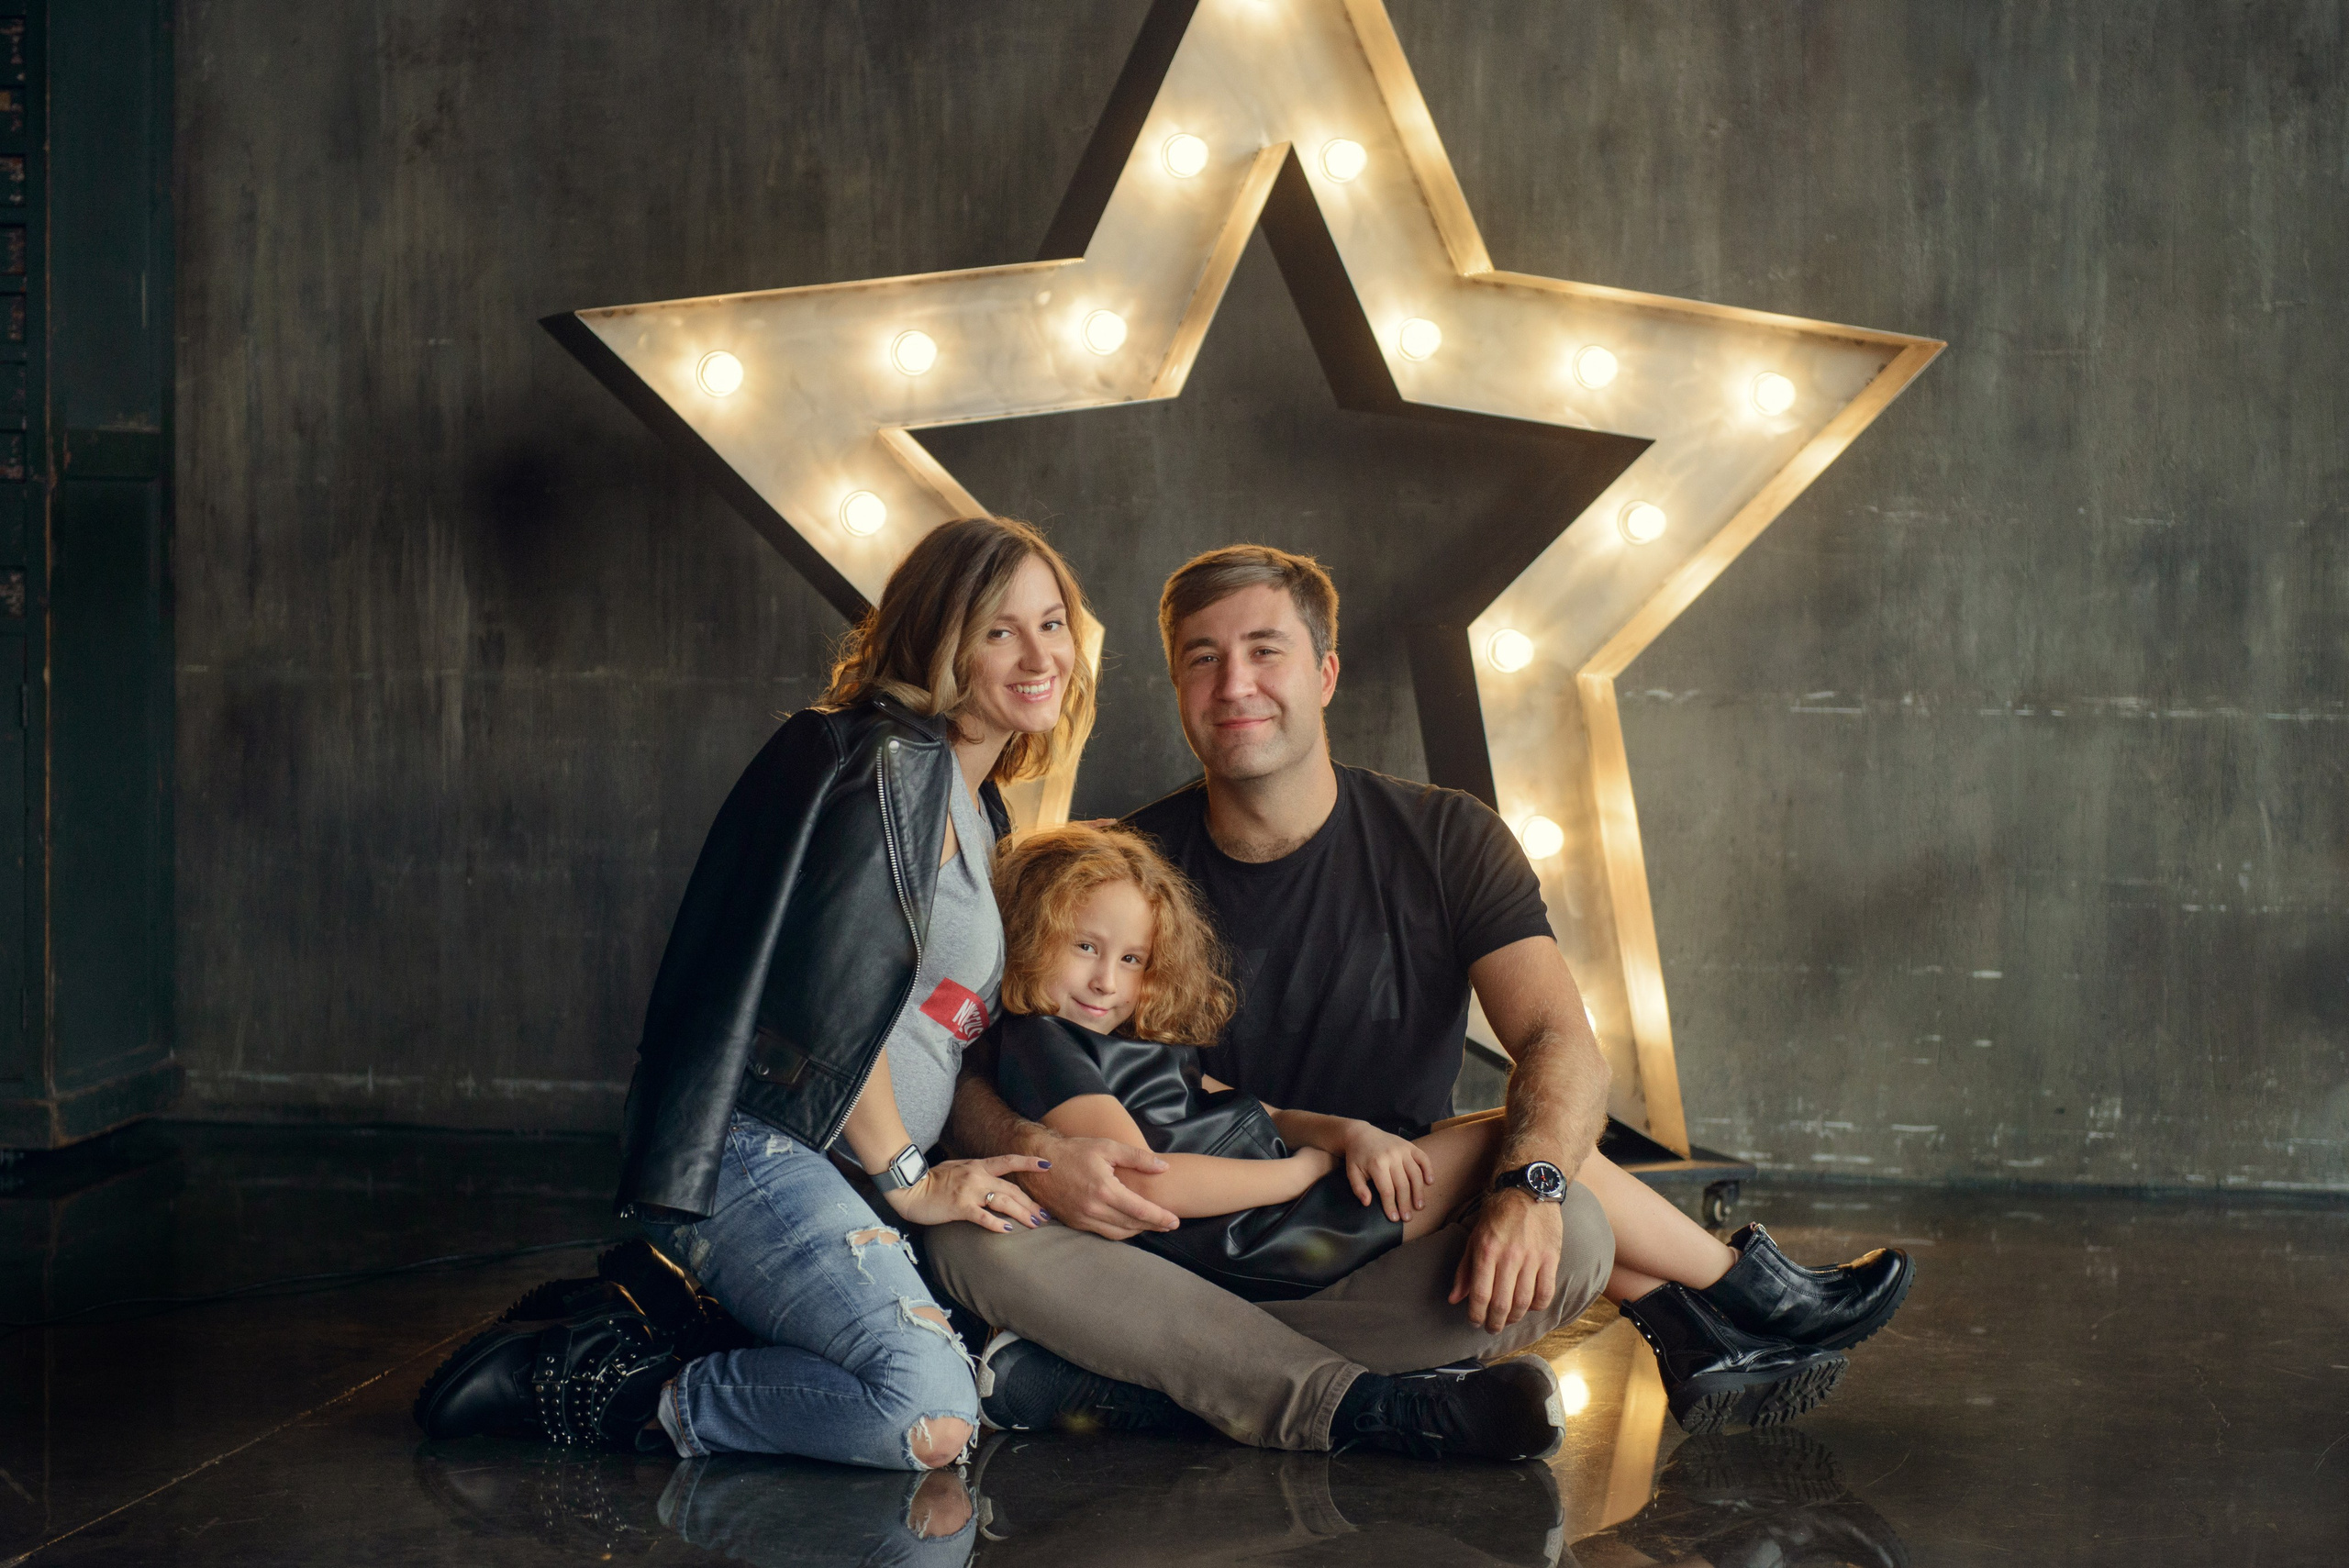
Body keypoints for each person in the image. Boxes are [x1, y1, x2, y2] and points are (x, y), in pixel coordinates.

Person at [927, 545, 1912, 1451]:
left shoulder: (1446, 838)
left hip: (1369, 1232)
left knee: (1568, 1221)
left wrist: (1527, 1187)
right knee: (973, 1235)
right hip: (1158, 1262)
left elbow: (1556, 1038)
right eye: (1202, 657)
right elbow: (983, 1054)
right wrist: (1049, 1153)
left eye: (1264, 650)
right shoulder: (1120, 873)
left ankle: (1157, 1380)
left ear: (1323, 673)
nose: (1234, 684)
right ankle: (1357, 1395)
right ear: (1178, 685)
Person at [415, 516, 1092, 1469]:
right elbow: (835, 1000)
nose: (1038, 654)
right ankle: (601, 1382)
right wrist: (909, 1177)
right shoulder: (888, 769)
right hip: (759, 1147)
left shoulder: (973, 802)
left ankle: (667, 1315)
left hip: (834, 1166)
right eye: (999, 628)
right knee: (925, 1412)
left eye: (1052, 622)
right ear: (940, 640)